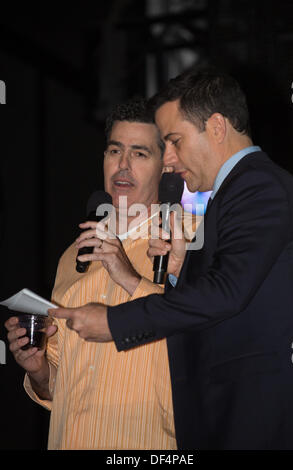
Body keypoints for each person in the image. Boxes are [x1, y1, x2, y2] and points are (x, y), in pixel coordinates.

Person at [48, 66, 293, 450]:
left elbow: (225, 295)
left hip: (253, 414)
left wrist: (116, 320)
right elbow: (221, 299)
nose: (170, 159)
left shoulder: (256, 186)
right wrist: (181, 272)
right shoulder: (233, 194)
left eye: (173, 141)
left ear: (216, 128)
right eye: (114, 150)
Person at [5, 98, 195, 450]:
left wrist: (129, 278)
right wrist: (39, 369)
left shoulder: (192, 240)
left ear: (166, 168)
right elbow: (57, 386)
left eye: (139, 154)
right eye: (114, 151)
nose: (123, 166)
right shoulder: (74, 255)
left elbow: (205, 343)